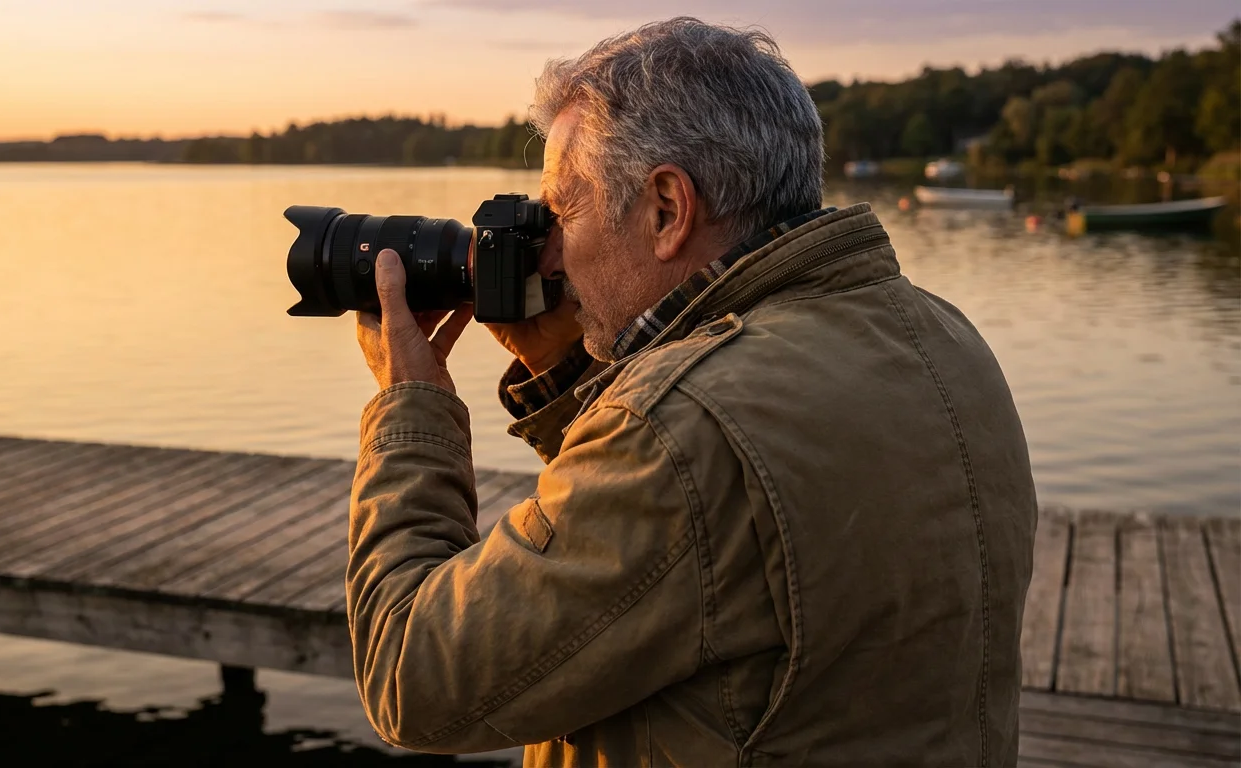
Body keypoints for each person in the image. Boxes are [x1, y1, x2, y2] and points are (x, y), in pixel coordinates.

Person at [346, 17, 1036, 767]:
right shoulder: (939, 334)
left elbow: (413, 682)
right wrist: (574, 380)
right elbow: (715, 569)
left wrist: (411, 403)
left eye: (563, 208)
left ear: (667, 210)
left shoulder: (682, 429)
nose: (546, 248)